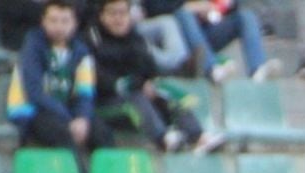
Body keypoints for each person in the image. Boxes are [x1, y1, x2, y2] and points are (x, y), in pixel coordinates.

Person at [87, 0, 226, 153]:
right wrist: (135, 84)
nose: (118, 19)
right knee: (136, 97)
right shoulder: (93, 40)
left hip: (137, 94)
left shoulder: (135, 39)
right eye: (113, 13)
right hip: (106, 102)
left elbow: (148, 69)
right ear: (102, 16)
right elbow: (101, 80)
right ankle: (163, 138)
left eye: (122, 13)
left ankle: (198, 136)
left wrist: (147, 83)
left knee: (167, 91)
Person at [6, 0, 113, 173]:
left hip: (66, 111)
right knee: (62, 133)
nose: (59, 27)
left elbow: (85, 91)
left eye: (65, 21)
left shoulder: (81, 51)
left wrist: (83, 118)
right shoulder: (32, 47)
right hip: (31, 111)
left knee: (102, 132)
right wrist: (69, 120)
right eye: (53, 20)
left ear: (74, 23)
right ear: (43, 22)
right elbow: (34, 92)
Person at [143, 0, 280, 82]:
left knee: (245, 16)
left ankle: (258, 68)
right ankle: (212, 68)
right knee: (184, 15)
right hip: (176, 37)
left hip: (205, 32)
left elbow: (230, 6)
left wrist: (214, 9)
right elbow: (155, 9)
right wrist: (192, 7)